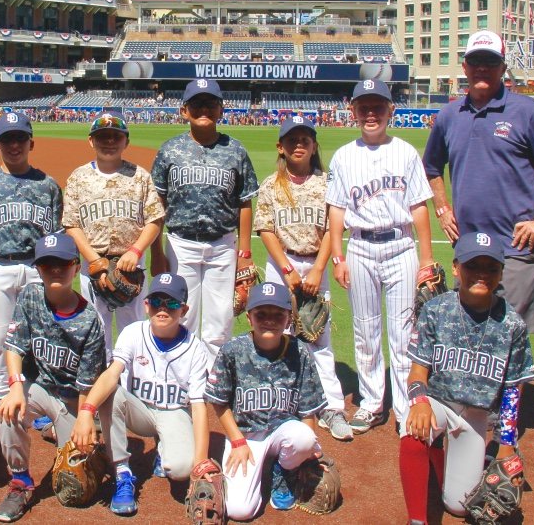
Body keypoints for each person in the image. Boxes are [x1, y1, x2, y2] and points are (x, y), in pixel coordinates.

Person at [423, 30, 534, 333]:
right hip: (468, 249)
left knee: (510, 338)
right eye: (476, 61)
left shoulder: (527, 112)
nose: (482, 68)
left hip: (515, 249)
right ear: (465, 66)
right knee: (469, 337)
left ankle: (510, 385)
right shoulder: (449, 115)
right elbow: (431, 167)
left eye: (490, 61)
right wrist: (442, 208)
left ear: (502, 68)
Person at [399, 231, 534, 523]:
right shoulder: (436, 310)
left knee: (459, 506)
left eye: (491, 267)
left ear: (501, 273)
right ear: (456, 268)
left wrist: (507, 444)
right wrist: (420, 402)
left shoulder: (511, 324)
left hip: (476, 416)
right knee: (413, 433)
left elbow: (513, 390)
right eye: (473, 265)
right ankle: (417, 520)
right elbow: (417, 372)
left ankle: (454, 463)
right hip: (438, 404)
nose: (482, 274)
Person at [326, 79, 435, 435]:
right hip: (359, 247)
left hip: (401, 245)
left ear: (391, 110)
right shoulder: (344, 156)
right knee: (365, 329)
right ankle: (372, 403)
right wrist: (338, 257)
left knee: (404, 331)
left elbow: (419, 207)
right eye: (363, 107)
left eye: (377, 106)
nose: (370, 113)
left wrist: (427, 259)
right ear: (353, 111)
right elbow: (337, 210)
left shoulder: (405, 151)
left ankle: (405, 409)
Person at [70, 273, 211, 515]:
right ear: (146, 305)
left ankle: (164, 446)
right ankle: (122, 473)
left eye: (172, 303)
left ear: (184, 309)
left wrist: (200, 462)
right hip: (140, 411)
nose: (163, 309)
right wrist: (85, 412)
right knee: (110, 394)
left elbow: (198, 408)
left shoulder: (196, 349)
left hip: (174, 413)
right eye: (157, 301)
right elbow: (112, 374)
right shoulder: (134, 332)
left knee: (180, 469)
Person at [0, 233, 107, 523]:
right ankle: (20, 482)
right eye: (47, 265)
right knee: (7, 410)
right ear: (38, 269)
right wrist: (16, 388)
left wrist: (84, 418)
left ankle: (87, 442)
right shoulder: (31, 296)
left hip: (72, 398)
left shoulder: (89, 320)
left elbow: (88, 382)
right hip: (39, 389)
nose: (55, 270)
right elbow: (14, 347)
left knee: (75, 489)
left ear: (75, 266)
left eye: (62, 264)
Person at [254, 115, 351, 441]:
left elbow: (332, 231)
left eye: (305, 140)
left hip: (315, 266)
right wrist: (287, 270)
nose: (299, 145)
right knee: (276, 333)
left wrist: (319, 270)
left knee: (318, 338)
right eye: (292, 140)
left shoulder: (327, 184)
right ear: (281, 147)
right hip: (281, 266)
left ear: (313, 146)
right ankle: (280, 400)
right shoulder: (271, 185)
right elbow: (266, 229)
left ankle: (332, 407)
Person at [0, 112, 63, 432]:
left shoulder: (48, 185)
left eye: (20, 138)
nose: (14, 145)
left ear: (31, 142)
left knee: (44, 336)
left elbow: (59, 235)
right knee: (0, 337)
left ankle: (45, 399)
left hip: (39, 269)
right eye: (7, 139)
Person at [150, 78, 258, 364]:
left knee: (220, 319)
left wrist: (244, 254)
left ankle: (213, 376)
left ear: (221, 110)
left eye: (211, 104)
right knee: (183, 312)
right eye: (197, 104)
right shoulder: (169, 150)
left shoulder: (235, 150)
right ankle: (181, 371)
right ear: (184, 110)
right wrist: (156, 252)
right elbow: (157, 205)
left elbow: (244, 202)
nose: (204, 109)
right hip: (180, 243)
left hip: (223, 245)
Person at [204, 281, 328, 520]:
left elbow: (308, 408)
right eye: (261, 314)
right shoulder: (233, 350)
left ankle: (284, 470)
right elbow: (218, 402)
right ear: (250, 317)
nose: (269, 320)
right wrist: (237, 441)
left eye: (278, 315)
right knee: (240, 511)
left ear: (289, 318)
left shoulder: (299, 351)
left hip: (285, 432)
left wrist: (306, 450)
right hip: (246, 436)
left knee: (304, 438)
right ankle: (266, 464)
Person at [63, 113, 164, 358]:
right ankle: (101, 385)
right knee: (97, 332)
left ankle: (132, 385)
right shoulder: (78, 177)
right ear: (91, 141)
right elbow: (71, 224)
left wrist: (136, 250)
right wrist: (93, 260)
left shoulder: (140, 176)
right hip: (92, 266)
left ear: (125, 141)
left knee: (135, 330)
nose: (109, 141)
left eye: (115, 136)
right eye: (102, 137)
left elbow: (155, 219)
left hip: (131, 267)